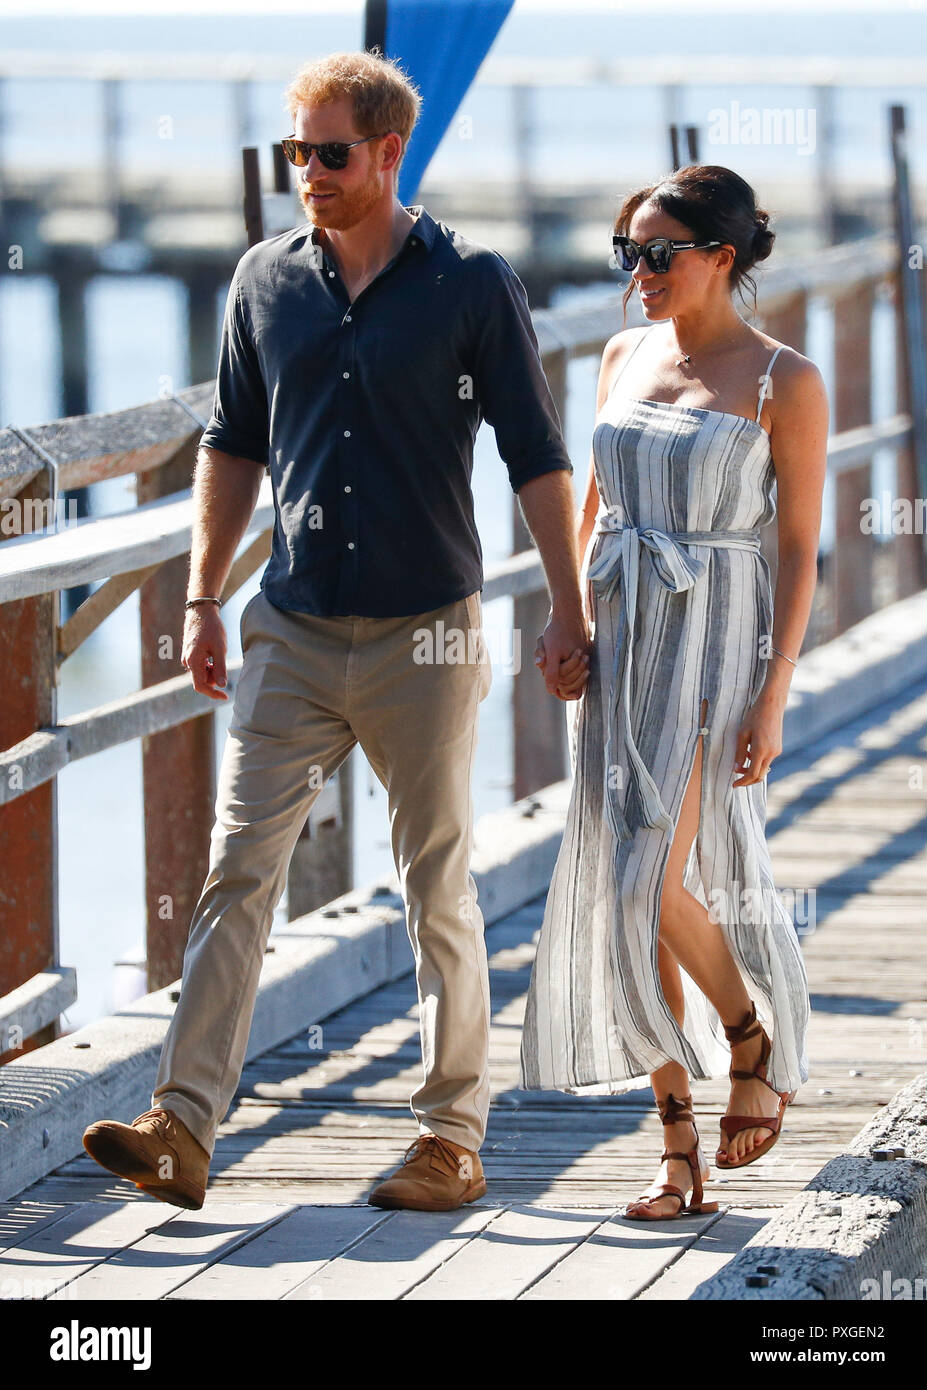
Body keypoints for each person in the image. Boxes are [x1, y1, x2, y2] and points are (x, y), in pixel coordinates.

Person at [82, 49, 589, 1215]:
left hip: (426, 631)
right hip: (293, 628)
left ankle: (449, 1138)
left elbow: (537, 457)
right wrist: (204, 597)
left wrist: (569, 607)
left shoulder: (470, 283)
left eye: (327, 152)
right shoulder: (263, 281)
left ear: (386, 152)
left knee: (435, 885)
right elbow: (231, 445)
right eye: (292, 152)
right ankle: (183, 1126)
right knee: (234, 873)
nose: (304, 172)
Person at [522, 165, 828, 1219]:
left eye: (658, 253)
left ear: (721, 257)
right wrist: (564, 620)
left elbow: (796, 552)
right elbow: (588, 505)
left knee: (643, 881)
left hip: (711, 644)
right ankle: (674, 1147)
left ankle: (749, 1035)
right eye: (627, 253)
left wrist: (772, 691)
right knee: (621, 885)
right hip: (619, 635)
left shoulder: (781, 379)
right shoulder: (619, 354)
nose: (638, 273)